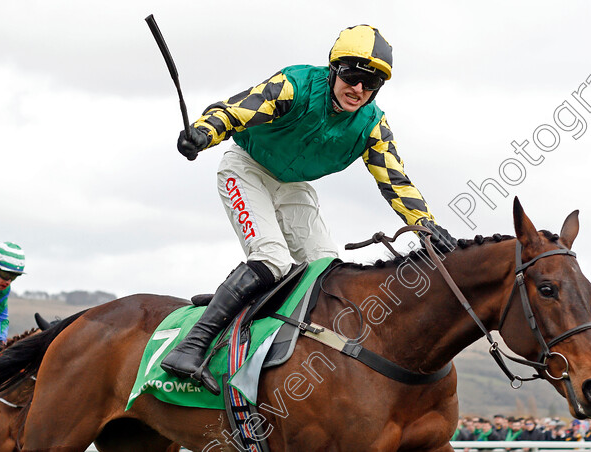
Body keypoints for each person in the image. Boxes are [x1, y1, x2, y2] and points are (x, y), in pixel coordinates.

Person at [160, 24, 457, 394]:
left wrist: (425, 225)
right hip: (246, 168)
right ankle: (191, 347)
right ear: (333, 69)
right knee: (271, 259)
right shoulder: (295, 84)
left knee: (328, 272)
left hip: (294, 186)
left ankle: (281, 339)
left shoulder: (373, 124)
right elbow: (238, 110)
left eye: (371, 83)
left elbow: (394, 179)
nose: (359, 89)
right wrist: (204, 132)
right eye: (352, 76)